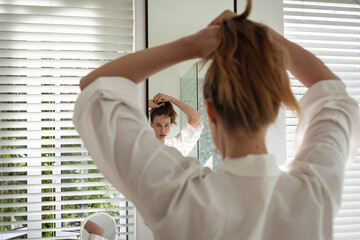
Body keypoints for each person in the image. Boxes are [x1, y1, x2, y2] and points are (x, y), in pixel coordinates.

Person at [73, 0, 359, 239]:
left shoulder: (179, 196)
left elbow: (96, 89)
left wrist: (193, 45)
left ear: (210, 110)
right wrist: (260, 38)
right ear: (275, 108)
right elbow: (335, 98)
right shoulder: (314, 191)